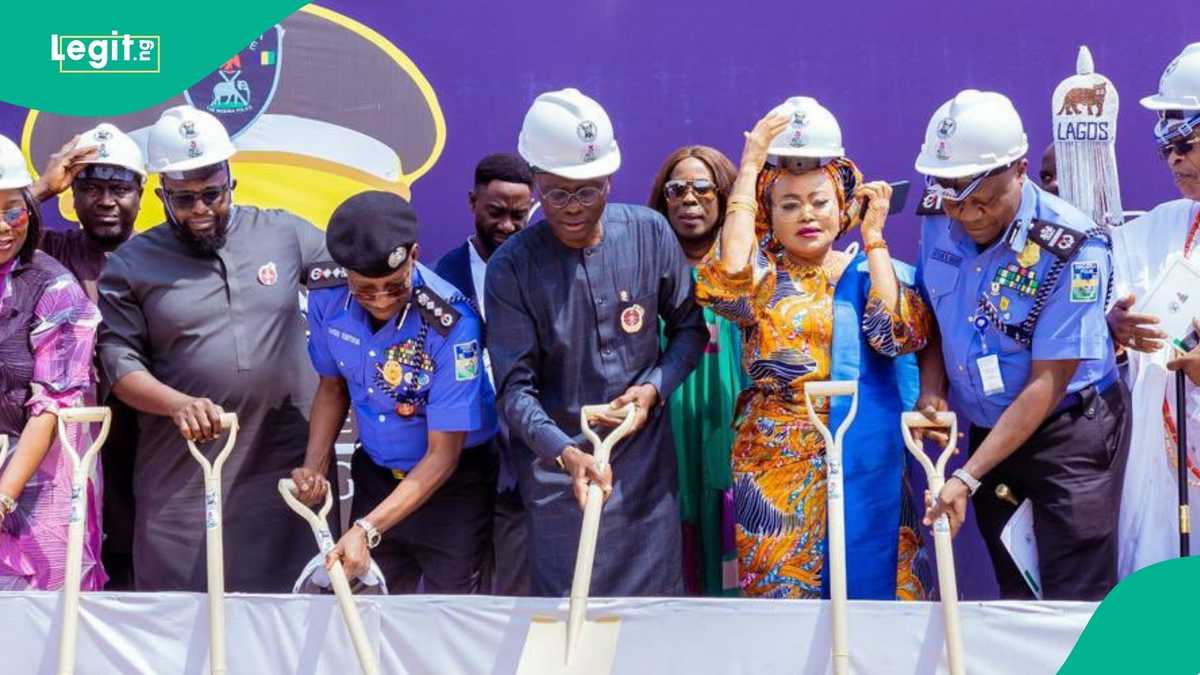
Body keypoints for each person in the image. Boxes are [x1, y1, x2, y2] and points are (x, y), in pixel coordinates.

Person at [694, 97, 931, 600]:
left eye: (819, 201)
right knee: (785, 611)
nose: (807, 215)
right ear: (768, 215)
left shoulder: (865, 271)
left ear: (841, 206)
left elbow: (893, 333)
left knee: (884, 601)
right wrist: (750, 168)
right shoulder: (760, 278)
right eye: (789, 204)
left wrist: (875, 240)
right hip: (775, 467)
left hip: (863, 451)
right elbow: (728, 280)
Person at [96, 105, 328, 592]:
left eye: (211, 194)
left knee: (289, 621)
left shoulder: (285, 233)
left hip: (284, 464)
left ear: (231, 181)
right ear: (161, 196)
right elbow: (119, 363)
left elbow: (362, 273)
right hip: (185, 471)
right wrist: (177, 404)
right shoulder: (131, 264)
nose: (201, 210)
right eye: (185, 199)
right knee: (180, 621)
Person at [486, 87, 707, 596]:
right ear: (535, 181)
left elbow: (690, 331)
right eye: (558, 192)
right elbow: (515, 391)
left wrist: (653, 389)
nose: (573, 207)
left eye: (589, 190)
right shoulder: (511, 269)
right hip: (560, 477)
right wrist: (566, 454)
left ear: (609, 179)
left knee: (652, 621)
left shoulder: (651, 233)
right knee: (574, 617)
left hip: (647, 473)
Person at [916, 90, 1129, 600]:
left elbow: (1048, 381)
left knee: (1073, 600)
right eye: (951, 195)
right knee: (1018, 593)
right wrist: (932, 390)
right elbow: (935, 315)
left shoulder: (1073, 247)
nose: (965, 213)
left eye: (981, 198)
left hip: (1068, 433)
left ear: (1020, 169)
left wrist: (967, 477)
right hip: (991, 434)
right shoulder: (936, 217)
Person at [295, 190, 499, 592]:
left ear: (414, 255)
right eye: (365, 289)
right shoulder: (326, 295)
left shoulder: (451, 322)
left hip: (451, 488)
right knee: (374, 614)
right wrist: (314, 469)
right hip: (376, 478)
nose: (382, 300)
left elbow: (444, 454)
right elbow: (332, 387)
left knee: (449, 620)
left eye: (395, 284)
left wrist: (367, 528)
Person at [32, 123, 146, 590]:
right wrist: (39, 188)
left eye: (119, 188)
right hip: (62, 446)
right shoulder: (46, 251)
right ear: (71, 195)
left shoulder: (169, 256)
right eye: (90, 187)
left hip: (146, 445)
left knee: (138, 571)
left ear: (142, 192)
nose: (105, 200)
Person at [1109, 42, 1200, 577]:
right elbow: (1099, 296)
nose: (1174, 159)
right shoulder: (1163, 226)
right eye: (1165, 146)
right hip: (1168, 479)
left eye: (1186, 143)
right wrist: (1115, 325)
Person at [0, 134, 105, 590]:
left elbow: (52, 408)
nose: (5, 227)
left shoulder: (56, 290)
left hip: (39, 491)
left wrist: (3, 497)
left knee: (37, 636)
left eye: (13, 212)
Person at [433, 153, 533, 594]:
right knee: (461, 578)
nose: (508, 226)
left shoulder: (544, 267)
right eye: (495, 212)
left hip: (526, 448)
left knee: (515, 578)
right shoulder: (441, 278)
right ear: (473, 202)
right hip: (464, 447)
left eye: (519, 214)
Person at [647, 144, 743, 596]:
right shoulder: (644, 271)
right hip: (666, 433)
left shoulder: (750, 270)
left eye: (703, 188)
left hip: (734, 429)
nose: (689, 199)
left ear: (725, 195)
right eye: (676, 189)